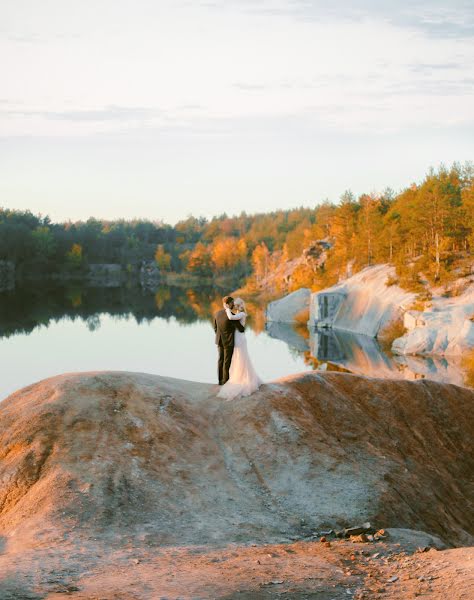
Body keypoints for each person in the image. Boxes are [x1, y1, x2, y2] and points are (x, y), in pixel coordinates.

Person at [217, 297, 263, 400]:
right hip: (237, 337)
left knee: (241, 357)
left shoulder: (241, 314)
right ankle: (236, 377)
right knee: (237, 358)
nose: (234, 306)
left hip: (239, 339)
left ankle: (242, 378)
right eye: (233, 305)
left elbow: (230, 318)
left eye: (235, 305)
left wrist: (227, 308)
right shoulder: (238, 314)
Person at [213, 296, 245, 386]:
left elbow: (215, 328)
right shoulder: (231, 315)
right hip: (228, 342)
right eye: (232, 303)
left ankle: (220, 381)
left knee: (220, 360)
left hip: (219, 340)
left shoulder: (217, 313)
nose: (233, 304)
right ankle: (225, 383)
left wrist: (220, 335)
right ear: (228, 304)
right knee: (227, 362)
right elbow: (241, 329)